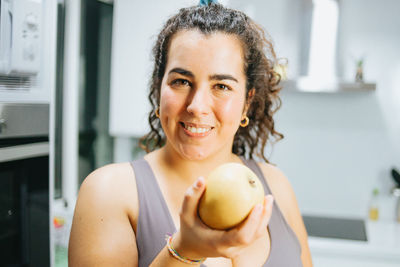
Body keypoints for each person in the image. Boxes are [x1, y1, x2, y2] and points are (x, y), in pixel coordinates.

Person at [68, 2, 313, 267]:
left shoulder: (276, 186)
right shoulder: (110, 191)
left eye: (221, 85)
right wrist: (185, 251)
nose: (196, 106)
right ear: (158, 88)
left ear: (247, 103)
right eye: (182, 81)